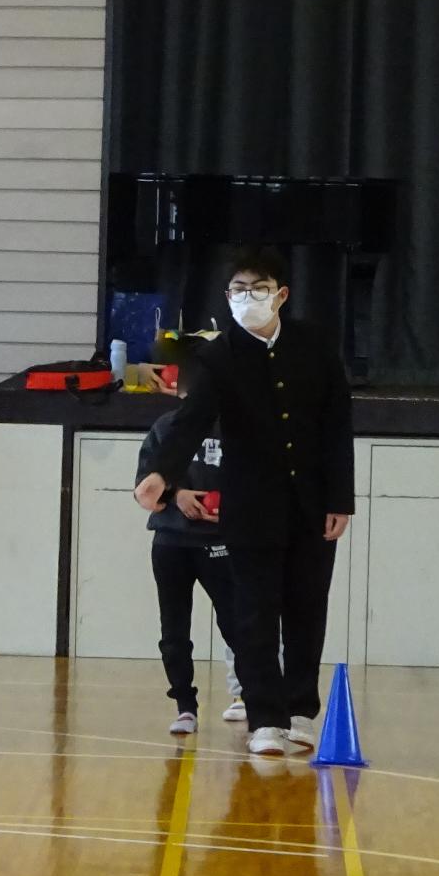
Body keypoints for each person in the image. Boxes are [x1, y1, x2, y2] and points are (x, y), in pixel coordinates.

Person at [134, 246, 354, 759]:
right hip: (251, 506)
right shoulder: (220, 355)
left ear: (281, 295)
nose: (247, 298)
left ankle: (300, 712)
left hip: (311, 504)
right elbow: (190, 420)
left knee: (306, 610)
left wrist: (340, 499)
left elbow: (337, 425)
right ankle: (265, 718)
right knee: (254, 615)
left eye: (258, 290)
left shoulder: (314, 346)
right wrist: (160, 473)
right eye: (237, 290)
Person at [137, 365, 244, 735]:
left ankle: (250, 696)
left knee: (236, 622)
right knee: (174, 630)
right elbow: (144, 487)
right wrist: (177, 495)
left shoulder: (236, 428)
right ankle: (185, 705)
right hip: (171, 542)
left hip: (218, 541)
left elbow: (253, 482)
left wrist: (231, 508)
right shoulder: (165, 428)